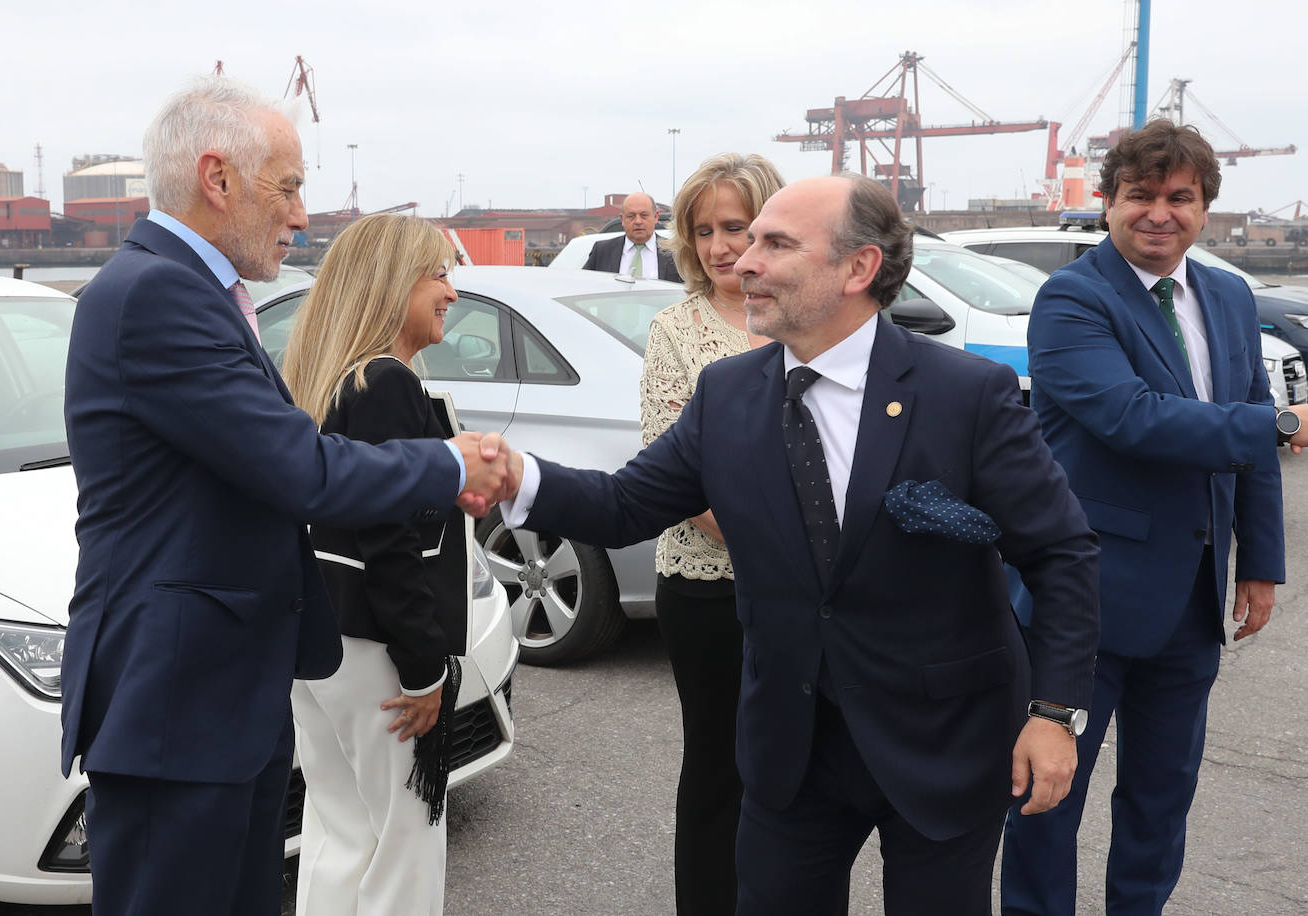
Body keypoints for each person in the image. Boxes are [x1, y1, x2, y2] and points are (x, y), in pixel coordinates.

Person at [499, 175, 1102, 914]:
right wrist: (511, 474)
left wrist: (1054, 714)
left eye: (775, 243)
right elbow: (625, 506)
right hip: (793, 748)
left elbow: (1062, 553)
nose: (744, 260)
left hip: (944, 739)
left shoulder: (967, 394)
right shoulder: (726, 394)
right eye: (751, 240)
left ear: (859, 269)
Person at [61, 77, 511, 916]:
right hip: (180, 706)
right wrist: (449, 465)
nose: (302, 215)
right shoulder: (157, 295)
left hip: (222, 696)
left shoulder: (194, 294)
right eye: (291, 186)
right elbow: (300, 470)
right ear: (217, 178)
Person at [1000, 120, 1308, 915]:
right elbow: (1132, 417)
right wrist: (1281, 422)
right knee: (1047, 799)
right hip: (1082, 600)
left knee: (1160, 799)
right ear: (1108, 204)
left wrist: (1262, 563)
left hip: (1192, 598)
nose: (1159, 213)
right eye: (1140, 196)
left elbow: (1242, 444)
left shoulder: (1231, 295)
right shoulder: (1072, 299)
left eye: (1181, 197)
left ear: (1206, 208)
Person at [282, 212, 464, 915]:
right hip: (380, 649)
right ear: (395, 284)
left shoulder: (330, 381)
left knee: (338, 835)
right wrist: (424, 666)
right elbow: (390, 539)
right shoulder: (386, 382)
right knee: (404, 847)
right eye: (440, 272)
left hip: (324, 640)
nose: (452, 290)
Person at [639, 152, 783, 914]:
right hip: (708, 590)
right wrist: (786, 552)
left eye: (737, 226)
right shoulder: (675, 330)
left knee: (801, 774)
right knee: (718, 771)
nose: (722, 246)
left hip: (812, 595)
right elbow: (678, 476)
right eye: (704, 230)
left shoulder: (812, 318)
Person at [582, 191, 682, 281]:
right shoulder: (602, 251)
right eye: (631, 216)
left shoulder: (674, 252)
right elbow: (584, 284)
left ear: (656, 217)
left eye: (644, 215)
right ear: (622, 219)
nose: (638, 221)